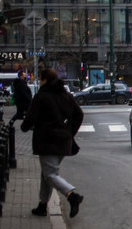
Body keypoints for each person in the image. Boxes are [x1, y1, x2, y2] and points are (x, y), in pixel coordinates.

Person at [20, 68, 86, 218]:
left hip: (47, 140)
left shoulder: (41, 96)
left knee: (49, 174)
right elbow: (79, 114)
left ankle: (72, 195)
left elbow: (30, 118)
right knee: (47, 174)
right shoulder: (66, 95)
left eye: (40, 78)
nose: (39, 81)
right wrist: (70, 132)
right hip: (64, 141)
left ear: (44, 80)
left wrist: (24, 127)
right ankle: (42, 205)